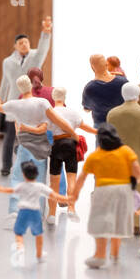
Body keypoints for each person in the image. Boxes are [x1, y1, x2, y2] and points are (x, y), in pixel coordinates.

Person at [0, 74, 74, 228]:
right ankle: (38, 212)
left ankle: (14, 211)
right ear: (30, 86)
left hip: (24, 144)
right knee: (39, 180)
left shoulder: (16, 104)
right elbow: (58, 120)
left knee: (17, 177)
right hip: (40, 146)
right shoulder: (43, 102)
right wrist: (72, 132)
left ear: (19, 88)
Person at [69, 123, 140, 269]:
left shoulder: (95, 155)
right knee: (118, 222)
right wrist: (131, 183)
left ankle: (100, 255)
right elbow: (137, 173)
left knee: (100, 222)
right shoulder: (126, 151)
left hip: (104, 191)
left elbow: (81, 178)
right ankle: (115, 254)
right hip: (123, 190)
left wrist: (74, 196)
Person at [0, 19, 53, 174]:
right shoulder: (7, 61)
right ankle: (5, 166)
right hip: (13, 102)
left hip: (30, 101)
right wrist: (0, 98)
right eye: (21, 42)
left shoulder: (36, 57)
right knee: (9, 138)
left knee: (30, 137)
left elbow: (43, 48)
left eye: (26, 42)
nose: (24, 44)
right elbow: (5, 82)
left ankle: (30, 165)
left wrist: (46, 33)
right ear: (15, 45)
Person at [106, 82, 140, 234]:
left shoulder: (112, 113)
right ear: (137, 95)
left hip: (116, 157)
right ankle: (135, 225)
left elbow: (108, 137)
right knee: (136, 192)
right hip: (138, 158)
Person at [0, 161, 68, 266]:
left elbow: (11, 191)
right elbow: (53, 195)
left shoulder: (22, 185)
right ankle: (39, 254)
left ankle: (20, 247)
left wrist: (1, 189)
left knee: (19, 232)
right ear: (37, 174)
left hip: (23, 211)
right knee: (38, 234)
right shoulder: (40, 186)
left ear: (24, 174)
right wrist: (67, 198)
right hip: (35, 212)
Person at [46, 87, 96, 226]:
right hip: (70, 145)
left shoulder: (50, 113)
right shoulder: (72, 112)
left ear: (53, 98)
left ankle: (51, 214)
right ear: (65, 97)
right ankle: (71, 209)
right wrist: (98, 132)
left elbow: (43, 128)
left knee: (54, 182)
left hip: (56, 145)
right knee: (71, 179)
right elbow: (84, 126)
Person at [81, 53, 127, 128]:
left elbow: (86, 109)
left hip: (101, 127)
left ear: (92, 67)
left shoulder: (89, 88)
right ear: (106, 64)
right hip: (121, 123)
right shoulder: (123, 81)